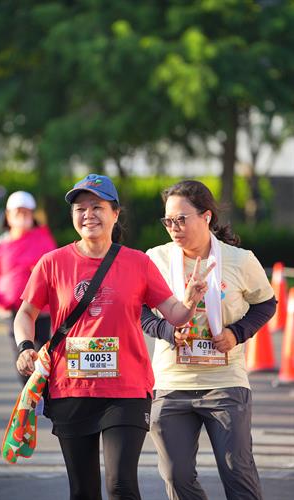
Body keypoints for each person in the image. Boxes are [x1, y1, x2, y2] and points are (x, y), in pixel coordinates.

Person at [13, 173, 214, 500]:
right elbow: (26, 313)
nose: (88, 214)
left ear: (115, 213)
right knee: (83, 490)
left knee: (121, 485)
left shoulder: (138, 263)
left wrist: (190, 299)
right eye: (80, 208)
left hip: (127, 389)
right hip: (71, 387)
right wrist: (26, 346)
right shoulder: (53, 263)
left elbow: (175, 315)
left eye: (97, 207)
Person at [141, 180, 277, 500]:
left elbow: (267, 303)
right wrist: (166, 331)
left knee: (238, 473)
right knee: (177, 478)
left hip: (225, 381)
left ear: (206, 216)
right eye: (168, 221)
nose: (174, 227)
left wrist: (236, 333)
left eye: (181, 219)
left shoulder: (240, 260)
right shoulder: (154, 258)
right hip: (172, 382)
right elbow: (140, 310)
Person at [0, 191, 56, 384]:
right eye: (17, 212)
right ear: (8, 216)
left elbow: (56, 269)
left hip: (41, 309)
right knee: (21, 350)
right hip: (12, 309)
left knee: (42, 349)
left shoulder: (44, 239)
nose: (22, 216)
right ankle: (27, 392)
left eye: (26, 212)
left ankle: (42, 389)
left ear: (32, 215)